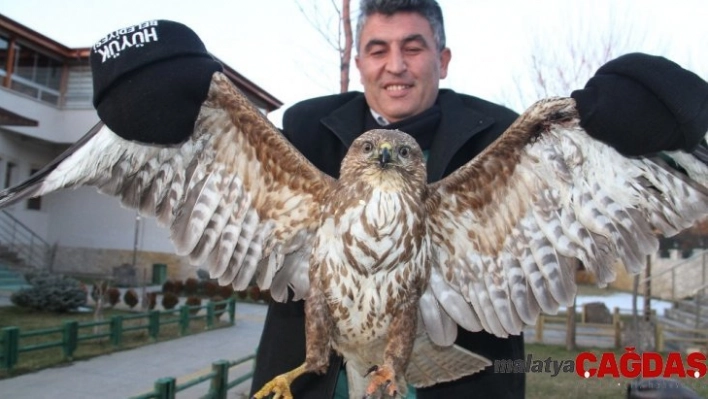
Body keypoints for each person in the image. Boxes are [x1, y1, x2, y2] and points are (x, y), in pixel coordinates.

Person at [86, 4, 708, 399]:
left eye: (414, 47)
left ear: (443, 56)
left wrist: (668, 121)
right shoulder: (303, 126)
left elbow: (604, 166)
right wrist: (173, 95)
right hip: (314, 374)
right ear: (359, 61)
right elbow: (202, 149)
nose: (397, 65)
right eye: (379, 49)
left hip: (457, 380)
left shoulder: (504, 134)